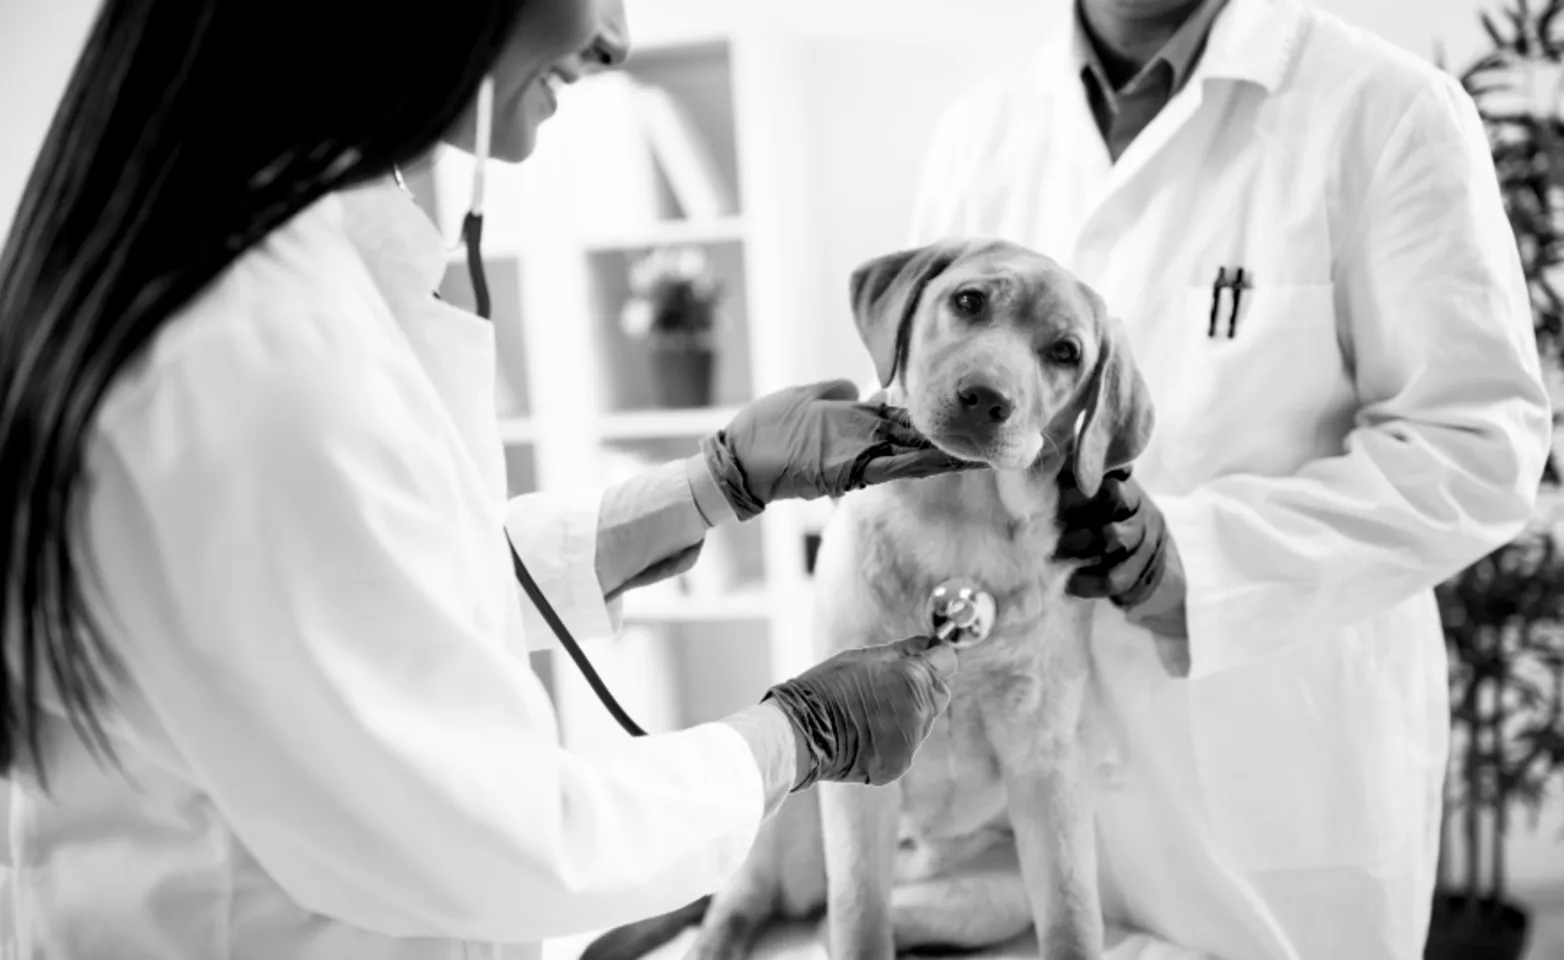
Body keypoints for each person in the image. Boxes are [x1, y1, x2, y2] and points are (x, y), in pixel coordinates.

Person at [0, 2, 975, 959]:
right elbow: (504, 830)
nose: (615, 39)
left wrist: (716, 484)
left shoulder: (292, 266)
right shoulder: (250, 358)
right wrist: (799, 734)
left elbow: (390, 596)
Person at [906, 0, 1554, 958]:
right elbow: (925, 418)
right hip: (1016, 806)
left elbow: (1476, 444)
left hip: (1269, 799)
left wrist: (1196, 568)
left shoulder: (1385, 109)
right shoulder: (978, 130)